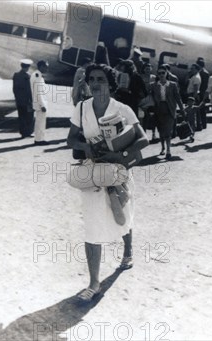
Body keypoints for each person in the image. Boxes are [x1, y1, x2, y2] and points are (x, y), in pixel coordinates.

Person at [66, 63, 149, 303]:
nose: (95, 83)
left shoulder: (122, 108)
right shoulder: (82, 108)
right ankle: (94, 283)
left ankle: (128, 252)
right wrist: (86, 146)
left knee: (122, 214)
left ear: (110, 83)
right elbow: (71, 139)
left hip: (118, 170)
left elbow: (142, 139)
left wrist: (120, 156)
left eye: (101, 79)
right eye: (91, 79)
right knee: (92, 225)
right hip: (93, 172)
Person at [149, 66, 184, 159]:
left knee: (168, 131)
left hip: (170, 109)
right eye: (159, 73)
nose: (161, 75)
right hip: (159, 109)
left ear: (166, 74)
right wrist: (150, 109)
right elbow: (150, 98)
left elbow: (178, 98)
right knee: (161, 131)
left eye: (163, 73)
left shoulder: (173, 85)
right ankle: (163, 147)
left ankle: (168, 150)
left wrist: (182, 109)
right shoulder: (153, 85)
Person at [12, 59, 35, 138]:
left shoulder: (16, 75)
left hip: (19, 100)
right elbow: (29, 90)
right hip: (27, 101)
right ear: (28, 67)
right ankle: (28, 132)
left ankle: (22, 132)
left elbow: (14, 89)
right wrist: (32, 100)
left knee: (21, 116)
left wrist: (17, 98)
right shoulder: (28, 76)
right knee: (29, 116)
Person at [31, 60, 49, 145]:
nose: (47, 68)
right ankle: (39, 140)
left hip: (38, 102)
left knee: (40, 121)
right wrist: (42, 104)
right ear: (41, 66)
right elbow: (38, 92)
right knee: (40, 122)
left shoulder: (37, 75)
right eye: (45, 66)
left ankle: (39, 139)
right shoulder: (37, 76)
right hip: (40, 103)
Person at [138, 62, 158, 143]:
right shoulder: (141, 77)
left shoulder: (154, 77)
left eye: (149, 69)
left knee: (152, 117)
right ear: (144, 69)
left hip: (151, 99)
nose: (148, 71)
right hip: (143, 99)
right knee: (143, 117)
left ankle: (154, 134)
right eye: (146, 69)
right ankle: (144, 133)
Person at [196, 58, 209, 131]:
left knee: (201, 109)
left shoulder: (203, 73)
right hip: (202, 92)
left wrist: (201, 94)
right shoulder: (204, 72)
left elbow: (203, 85)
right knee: (202, 109)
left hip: (202, 93)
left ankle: (203, 124)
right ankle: (202, 124)